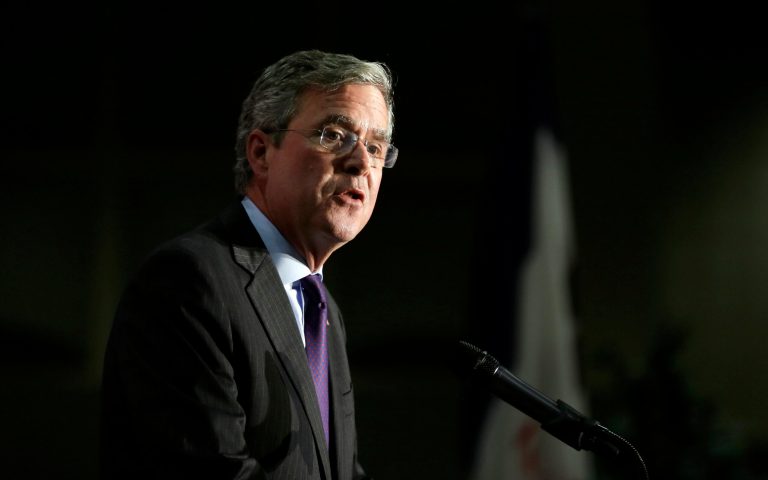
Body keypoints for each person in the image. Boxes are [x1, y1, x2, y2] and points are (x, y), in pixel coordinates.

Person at [99, 49, 398, 480]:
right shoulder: (189, 280)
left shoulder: (323, 308)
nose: (360, 163)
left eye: (375, 147)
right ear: (261, 153)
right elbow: (211, 469)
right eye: (334, 135)